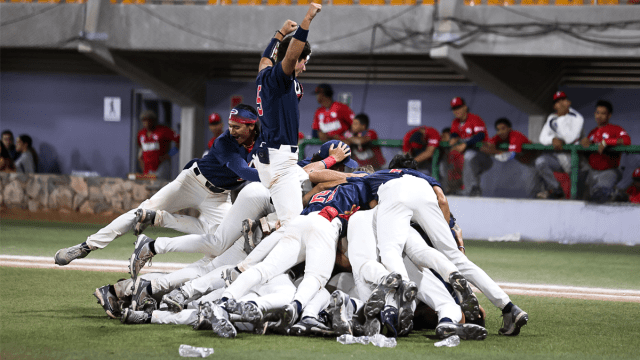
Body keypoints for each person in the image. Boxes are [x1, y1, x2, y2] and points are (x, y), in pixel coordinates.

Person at [54, 105, 261, 266]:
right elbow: (243, 171)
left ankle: (160, 220)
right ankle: (86, 246)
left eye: (237, 126)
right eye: (230, 125)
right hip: (192, 182)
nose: (230, 130)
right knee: (141, 210)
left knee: (224, 241)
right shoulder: (224, 141)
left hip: (218, 196)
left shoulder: (263, 141)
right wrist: (283, 173)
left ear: (251, 125)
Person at [253, 4, 321, 229]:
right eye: (305, 61)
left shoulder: (266, 74)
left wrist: (279, 34)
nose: (304, 67)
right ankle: (266, 228)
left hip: (275, 156)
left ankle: (268, 226)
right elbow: (291, 54)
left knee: (290, 224)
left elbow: (265, 60)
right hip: (278, 157)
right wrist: (307, 19)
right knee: (293, 228)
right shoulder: (280, 79)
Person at [535, 91, 584, 199]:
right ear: (554, 106)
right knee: (540, 162)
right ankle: (556, 188)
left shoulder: (577, 117)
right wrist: (552, 139)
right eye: (557, 102)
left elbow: (570, 138)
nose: (560, 104)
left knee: (578, 196)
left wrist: (561, 117)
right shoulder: (551, 117)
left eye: (563, 100)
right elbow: (542, 138)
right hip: (558, 159)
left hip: (575, 161)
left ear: (568, 102)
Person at [579, 100, 631, 203]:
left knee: (600, 196)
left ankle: (617, 194)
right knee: (585, 199)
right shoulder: (592, 133)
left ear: (609, 115)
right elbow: (587, 154)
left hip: (609, 171)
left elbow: (626, 141)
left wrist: (607, 141)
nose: (599, 116)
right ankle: (615, 194)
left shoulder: (614, 129)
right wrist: (584, 144)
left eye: (603, 113)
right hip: (592, 172)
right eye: (597, 112)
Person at [448, 97, 492, 196]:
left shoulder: (475, 119)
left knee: (468, 156)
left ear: (465, 107)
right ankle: (454, 187)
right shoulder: (455, 122)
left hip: (483, 155)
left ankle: (473, 189)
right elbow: (455, 133)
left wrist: (465, 144)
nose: (456, 111)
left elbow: (481, 135)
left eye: (459, 107)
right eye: (454, 109)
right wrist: (453, 137)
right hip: (469, 156)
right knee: (452, 156)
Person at [137, 110, 180, 180]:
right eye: (144, 120)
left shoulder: (163, 131)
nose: (146, 123)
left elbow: (179, 142)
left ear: (153, 121)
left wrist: (169, 155)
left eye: (149, 120)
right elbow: (141, 150)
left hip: (161, 165)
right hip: (147, 168)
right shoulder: (141, 134)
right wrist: (141, 163)